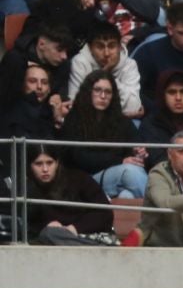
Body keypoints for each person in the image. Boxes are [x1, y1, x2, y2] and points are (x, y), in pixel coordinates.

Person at [64, 70, 147, 201]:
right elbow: (79, 158)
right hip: (83, 180)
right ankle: (161, 214)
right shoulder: (74, 119)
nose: (103, 96)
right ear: (88, 92)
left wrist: (139, 153)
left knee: (127, 195)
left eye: (108, 92)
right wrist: (119, 161)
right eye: (97, 90)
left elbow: (136, 144)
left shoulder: (120, 120)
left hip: (113, 177)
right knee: (129, 171)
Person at [20, 144, 117, 245]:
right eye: (38, 164)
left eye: (49, 163)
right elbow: (26, 223)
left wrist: (74, 228)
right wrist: (46, 226)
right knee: (49, 234)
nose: (45, 169)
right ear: (30, 165)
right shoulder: (26, 188)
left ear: (57, 163)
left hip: (87, 235)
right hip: (50, 238)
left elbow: (105, 214)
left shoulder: (79, 179)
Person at [67, 21, 143, 118]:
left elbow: (133, 107)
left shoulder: (129, 65)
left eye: (111, 46)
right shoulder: (80, 62)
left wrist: (108, 77)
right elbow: (76, 105)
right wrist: (104, 75)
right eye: (100, 46)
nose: (106, 53)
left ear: (119, 47)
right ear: (90, 48)